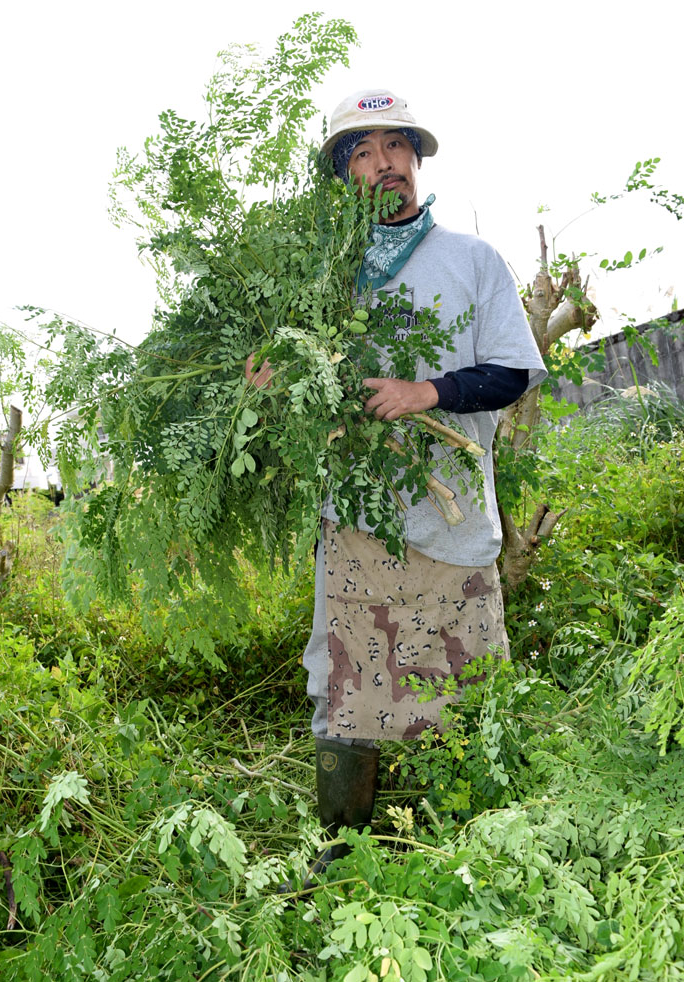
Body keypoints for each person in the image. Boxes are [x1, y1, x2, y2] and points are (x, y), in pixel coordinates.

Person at [248, 89, 547, 888]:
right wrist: (273, 375)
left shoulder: (474, 260)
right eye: (363, 152)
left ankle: (483, 844)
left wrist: (429, 393)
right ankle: (342, 848)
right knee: (344, 686)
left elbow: (514, 370)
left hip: (452, 516)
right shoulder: (321, 279)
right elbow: (293, 377)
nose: (385, 165)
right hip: (356, 519)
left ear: (418, 159)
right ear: (344, 175)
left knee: (468, 683)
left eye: (396, 147)